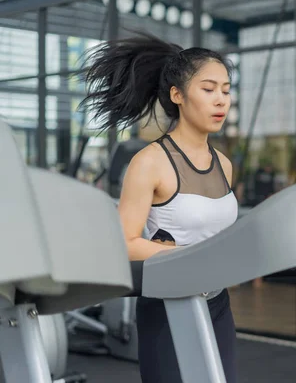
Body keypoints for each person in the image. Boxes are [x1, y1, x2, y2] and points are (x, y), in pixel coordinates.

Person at [79, 32, 239, 383]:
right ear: (177, 95)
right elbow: (125, 242)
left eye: (226, 90)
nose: (221, 101)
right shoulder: (150, 162)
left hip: (217, 303)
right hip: (168, 303)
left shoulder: (224, 164)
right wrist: (189, 255)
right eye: (209, 89)